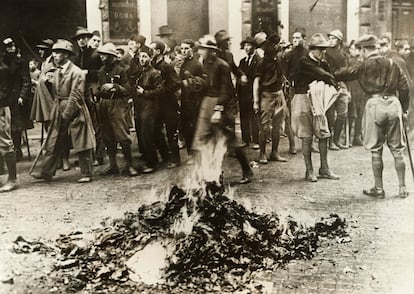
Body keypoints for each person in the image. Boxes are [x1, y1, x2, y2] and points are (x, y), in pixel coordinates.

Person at [335, 34, 409, 198]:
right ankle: (402, 188)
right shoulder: (392, 63)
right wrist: (404, 110)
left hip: (375, 105)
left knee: (376, 150)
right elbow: (404, 87)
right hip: (394, 103)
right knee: (398, 150)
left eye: (360, 50)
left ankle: (379, 188)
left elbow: (342, 74)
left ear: (362, 49)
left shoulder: (363, 65)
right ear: (376, 48)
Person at [31, 39, 96, 183]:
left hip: (75, 109)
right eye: (53, 52)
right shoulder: (58, 71)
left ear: (66, 55)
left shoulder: (76, 72)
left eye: (58, 53)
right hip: (59, 108)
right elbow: (57, 92)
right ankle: (46, 171)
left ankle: (87, 173)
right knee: (53, 139)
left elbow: (76, 95)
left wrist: (67, 114)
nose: (54, 55)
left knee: (81, 141)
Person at [193, 35, 253, 184]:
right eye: (200, 49)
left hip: (222, 106)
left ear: (212, 51)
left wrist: (218, 110)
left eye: (204, 49)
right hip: (207, 103)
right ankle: (210, 174)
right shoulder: (202, 63)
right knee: (202, 139)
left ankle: (247, 170)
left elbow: (227, 90)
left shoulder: (222, 66)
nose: (201, 51)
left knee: (230, 140)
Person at [291, 33, 340, 182]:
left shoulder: (323, 63)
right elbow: (323, 74)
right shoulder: (303, 62)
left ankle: (324, 168)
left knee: (324, 134)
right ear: (312, 49)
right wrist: (331, 78)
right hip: (303, 99)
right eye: (320, 49)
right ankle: (309, 170)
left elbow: (328, 77)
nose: (323, 52)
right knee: (307, 136)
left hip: (319, 101)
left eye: (324, 49)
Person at [95, 43, 138, 177]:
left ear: (112, 57)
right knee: (107, 136)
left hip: (117, 104)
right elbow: (99, 87)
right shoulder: (101, 71)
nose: (102, 57)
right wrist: (98, 92)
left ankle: (129, 165)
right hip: (103, 104)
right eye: (101, 54)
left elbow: (128, 90)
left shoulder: (122, 70)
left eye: (105, 55)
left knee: (122, 136)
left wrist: (114, 86)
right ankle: (113, 166)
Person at [253, 33, 289, 164]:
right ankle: (262, 153)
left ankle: (274, 152)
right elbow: (256, 82)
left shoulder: (278, 60)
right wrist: (256, 102)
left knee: (277, 126)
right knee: (265, 127)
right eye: (278, 44)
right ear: (272, 46)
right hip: (266, 96)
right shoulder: (262, 62)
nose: (280, 46)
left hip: (278, 94)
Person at [72, 26, 104, 167]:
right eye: (79, 38)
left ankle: (99, 156)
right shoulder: (75, 57)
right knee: (84, 124)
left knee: (96, 123)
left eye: (85, 37)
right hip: (79, 91)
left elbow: (102, 72)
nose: (82, 40)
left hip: (92, 91)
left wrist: (87, 72)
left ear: (88, 39)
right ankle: (87, 156)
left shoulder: (96, 55)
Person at [129, 46, 163, 173]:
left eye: (145, 57)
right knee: (143, 134)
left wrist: (145, 92)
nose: (142, 59)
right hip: (140, 106)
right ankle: (152, 158)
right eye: (141, 56)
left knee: (147, 134)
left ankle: (152, 163)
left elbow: (160, 91)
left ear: (150, 58)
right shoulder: (140, 72)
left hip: (150, 106)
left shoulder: (155, 73)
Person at [150, 41, 182, 168]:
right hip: (157, 104)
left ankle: (175, 159)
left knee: (171, 132)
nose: (149, 52)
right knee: (155, 130)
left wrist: (163, 90)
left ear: (158, 52)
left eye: (152, 50)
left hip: (169, 104)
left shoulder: (166, 66)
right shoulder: (152, 65)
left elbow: (176, 83)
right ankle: (165, 156)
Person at [2, 38, 33, 161]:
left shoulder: (21, 63)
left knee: (17, 126)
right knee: (6, 125)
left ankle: (17, 149)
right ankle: (8, 150)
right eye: (9, 47)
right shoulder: (2, 63)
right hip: (4, 97)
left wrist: (22, 96)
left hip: (17, 98)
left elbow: (26, 81)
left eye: (13, 46)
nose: (12, 49)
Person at [179, 39, 206, 163]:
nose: (183, 51)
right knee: (186, 128)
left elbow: (202, 83)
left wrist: (189, 83)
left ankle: (196, 155)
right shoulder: (182, 63)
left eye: (186, 48)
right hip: (184, 100)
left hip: (194, 101)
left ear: (192, 50)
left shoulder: (197, 65)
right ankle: (191, 153)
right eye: (182, 48)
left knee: (194, 128)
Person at [325, 29, 351, 150]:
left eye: (333, 38)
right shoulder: (325, 53)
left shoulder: (344, 55)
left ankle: (336, 140)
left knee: (342, 114)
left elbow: (347, 73)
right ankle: (330, 142)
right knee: (330, 115)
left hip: (342, 85)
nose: (330, 40)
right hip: (330, 85)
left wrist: (348, 90)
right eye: (329, 38)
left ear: (339, 41)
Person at [0, 50, 18, 192]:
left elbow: (5, 92)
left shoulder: (3, 70)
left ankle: (12, 179)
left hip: (1, 109)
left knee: (5, 143)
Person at [237, 36, 260, 150]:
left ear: (254, 47)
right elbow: (238, 75)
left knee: (254, 117)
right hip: (243, 94)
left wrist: (256, 97)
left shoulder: (258, 61)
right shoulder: (242, 61)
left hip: (253, 93)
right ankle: (245, 139)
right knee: (243, 116)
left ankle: (256, 140)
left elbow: (258, 79)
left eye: (249, 45)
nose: (246, 48)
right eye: (245, 46)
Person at [31, 39, 56, 130]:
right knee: (46, 121)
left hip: (50, 97)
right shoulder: (43, 63)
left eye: (42, 49)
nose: (40, 51)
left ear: (48, 51)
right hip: (43, 97)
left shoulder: (53, 62)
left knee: (52, 122)